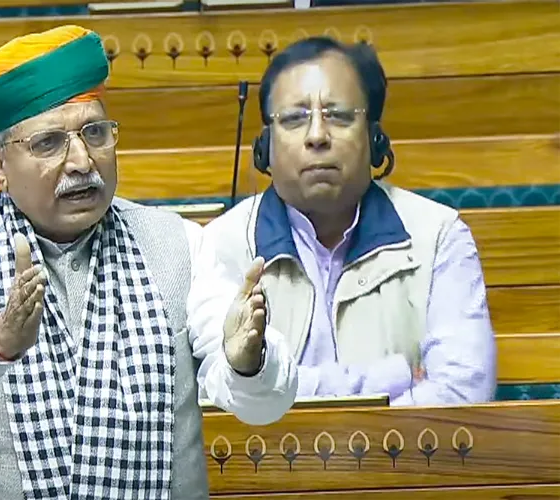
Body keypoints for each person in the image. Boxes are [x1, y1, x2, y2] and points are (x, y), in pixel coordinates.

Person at [0, 25, 298, 500]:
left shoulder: (179, 245)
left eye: (95, 133)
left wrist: (246, 361)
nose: (82, 161)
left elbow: (263, 407)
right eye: (49, 143)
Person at [187, 36, 496, 407]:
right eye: (295, 118)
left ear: (374, 138)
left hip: (403, 466)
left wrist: (275, 393)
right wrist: (393, 377)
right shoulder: (220, 247)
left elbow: (464, 392)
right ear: (265, 147)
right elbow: (212, 398)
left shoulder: (439, 237)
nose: (317, 136)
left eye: (339, 115)